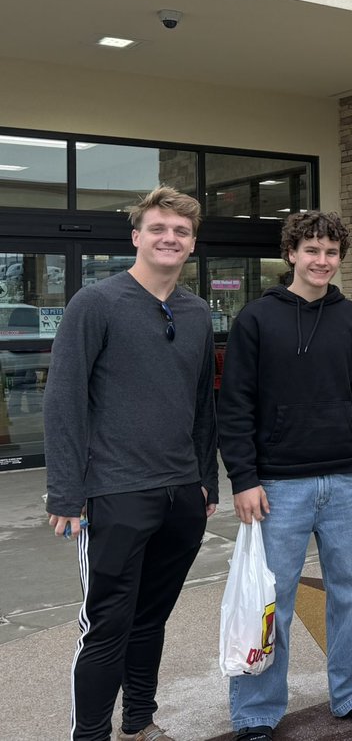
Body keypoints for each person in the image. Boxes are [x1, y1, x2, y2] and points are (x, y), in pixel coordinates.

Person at [43, 186, 219, 741]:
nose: (170, 238)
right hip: (116, 494)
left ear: (191, 244)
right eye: (159, 229)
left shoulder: (194, 312)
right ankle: (89, 734)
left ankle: (139, 721)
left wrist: (205, 483)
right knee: (107, 626)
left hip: (181, 493)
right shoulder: (95, 304)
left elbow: (201, 406)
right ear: (137, 236)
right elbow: (64, 399)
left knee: (151, 620)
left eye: (181, 232)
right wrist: (66, 493)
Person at [218, 212, 352, 741]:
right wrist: (243, 478)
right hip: (277, 487)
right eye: (312, 250)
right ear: (291, 253)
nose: (322, 261)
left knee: (349, 591)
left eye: (332, 252)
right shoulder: (256, 319)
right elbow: (236, 405)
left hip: (344, 481)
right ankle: (256, 711)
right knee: (274, 600)